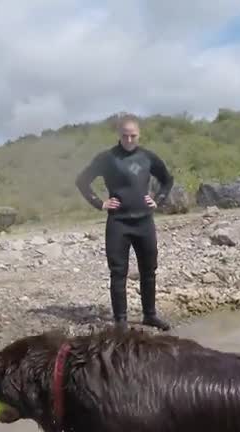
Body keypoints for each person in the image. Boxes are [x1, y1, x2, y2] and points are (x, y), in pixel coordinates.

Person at [74, 113, 175, 331]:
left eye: (133, 136)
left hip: (144, 222)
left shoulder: (148, 157)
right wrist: (99, 203)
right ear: (118, 135)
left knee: (149, 270)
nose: (129, 140)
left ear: (139, 135)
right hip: (118, 223)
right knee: (118, 272)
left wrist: (158, 199)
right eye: (125, 136)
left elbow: (167, 180)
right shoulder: (107, 158)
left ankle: (150, 315)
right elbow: (82, 181)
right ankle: (120, 321)